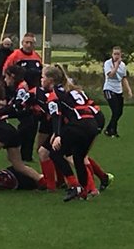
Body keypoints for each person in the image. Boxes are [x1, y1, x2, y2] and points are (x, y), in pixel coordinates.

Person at [42, 65, 103, 202]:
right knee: (78, 158)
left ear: (51, 80)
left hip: (77, 125)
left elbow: (56, 115)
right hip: (91, 124)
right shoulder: (74, 89)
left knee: (55, 153)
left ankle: (74, 186)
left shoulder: (54, 94)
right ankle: (84, 191)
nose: (41, 80)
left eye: (43, 77)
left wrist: (57, 135)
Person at [102, 46, 132, 137]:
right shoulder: (108, 63)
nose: (116, 56)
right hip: (109, 88)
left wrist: (129, 90)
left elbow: (123, 78)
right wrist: (116, 66)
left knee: (120, 112)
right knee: (115, 111)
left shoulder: (123, 65)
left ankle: (108, 129)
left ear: (120, 55)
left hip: (118, 90)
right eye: (114, 54)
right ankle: (113, 131)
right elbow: (111, 75)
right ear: (112, 54)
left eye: (118, 54)